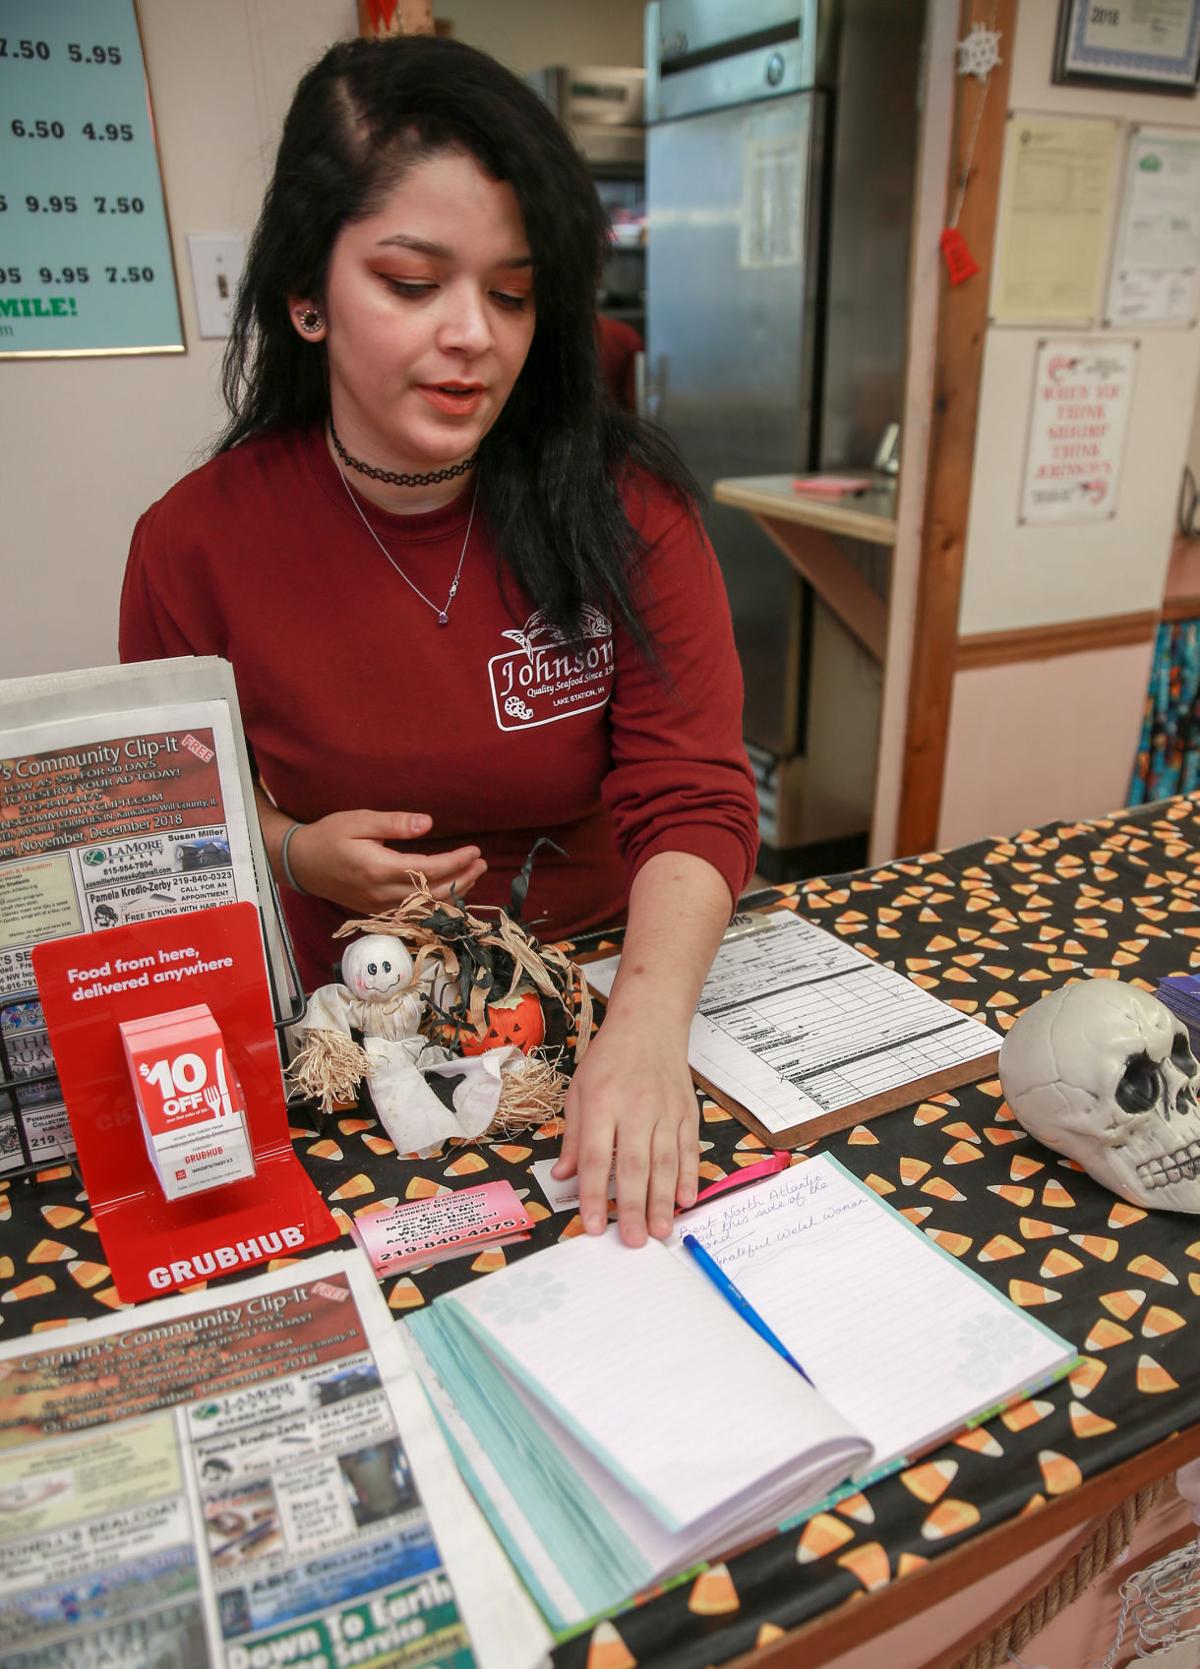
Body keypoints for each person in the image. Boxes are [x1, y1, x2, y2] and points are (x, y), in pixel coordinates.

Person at [119, 35, 759, 1249]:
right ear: (306, 294)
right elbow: (164, 828)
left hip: (607, 1003)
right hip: (361, 1035)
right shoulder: (194, 543)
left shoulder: (629, 508)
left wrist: (644, 1028)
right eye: (414, 283)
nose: (474, 333)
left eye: (512, 292)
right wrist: (297, 849)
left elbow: (694, 792)